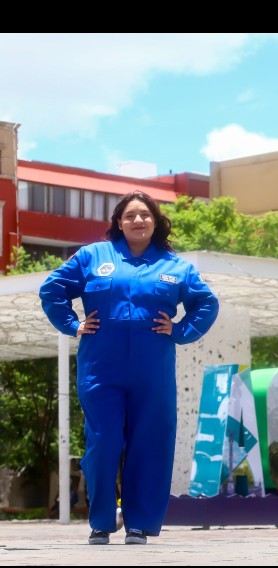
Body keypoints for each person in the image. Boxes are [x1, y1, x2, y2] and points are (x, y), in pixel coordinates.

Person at [39, 190, 220, 546]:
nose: (138, 220)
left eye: (145, 215)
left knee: (150, 443)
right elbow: (52, 289)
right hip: (100, 370)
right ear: (119, 223)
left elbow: (206, 304)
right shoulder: (93, 256)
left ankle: (139, 524)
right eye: (130, 216)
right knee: (103, 443)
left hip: (152, 371)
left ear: (156, 222)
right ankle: (101, 522)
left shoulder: (176, 266)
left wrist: (179, 330)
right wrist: (73, 324)